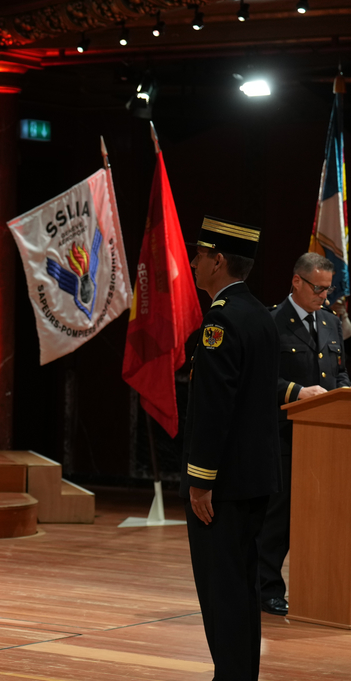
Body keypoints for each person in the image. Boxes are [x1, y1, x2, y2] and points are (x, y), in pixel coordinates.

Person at [182, 216, 280, 681]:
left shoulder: (221, 320)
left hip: (224, 485)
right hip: (256, 478)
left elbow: (216, 408)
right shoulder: (259, 313)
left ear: (218, 260)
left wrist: (201, 481)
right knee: (242, 587)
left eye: (200, 255)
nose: (195, 262)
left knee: (222, 589)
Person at [259, 252, 350, 616]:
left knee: (325, 517)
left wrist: (344, 393)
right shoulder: (271, 323)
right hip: (286, 434)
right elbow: (262, 380)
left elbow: (339, 371)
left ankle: (322, 589)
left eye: (327, 289)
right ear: (296, 281)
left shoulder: (330, 323)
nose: (324, 297)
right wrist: (299, 392)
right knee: (278, 519)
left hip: (328, 437)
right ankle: (266, 589)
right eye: (318, 288)